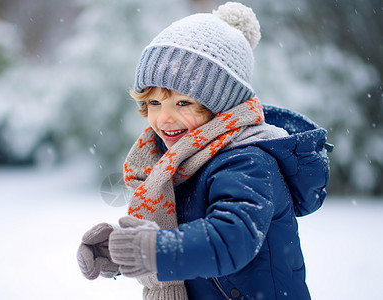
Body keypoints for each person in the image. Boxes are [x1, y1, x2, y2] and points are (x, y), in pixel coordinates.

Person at [77, 2, 333, 300]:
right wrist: (121, 250)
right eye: (154, 103)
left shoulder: (248, 160)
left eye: (183, 103)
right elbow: (180, 230)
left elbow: (231, 238)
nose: (164, 118)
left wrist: (155, 250)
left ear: (221, 105)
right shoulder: (175, 162)